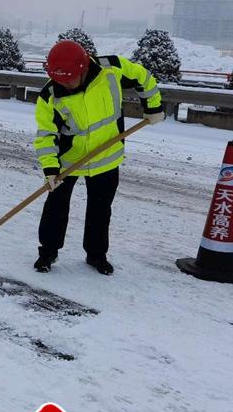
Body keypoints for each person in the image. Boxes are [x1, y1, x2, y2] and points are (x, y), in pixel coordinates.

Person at [33, 40, 163, 275]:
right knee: (56, 207)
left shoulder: (112, 69)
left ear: (83, 68)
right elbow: (45, 135)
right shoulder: (49, 95)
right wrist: (50, 170)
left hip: (106, 157)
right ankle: (48, 252)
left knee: (100, 209)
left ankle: (96, 255)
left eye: (70, 78)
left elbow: (144, 77)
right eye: (59, 79)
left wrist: (153, 107)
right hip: (68, 161)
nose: (65, 84)